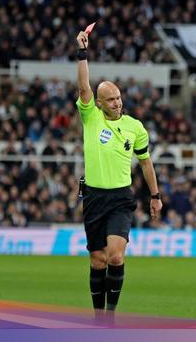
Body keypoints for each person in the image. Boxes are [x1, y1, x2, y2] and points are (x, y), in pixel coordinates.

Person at [75, 30, 162, 313]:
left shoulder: (135, 127)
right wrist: (82, 53)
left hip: (121, 198)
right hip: (94, 198)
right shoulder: (91, 118)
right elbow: (84, 87)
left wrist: (155, 195)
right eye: (110, 99)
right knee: (97, 260)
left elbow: (146, 162)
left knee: (114, 257)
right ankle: (98, 316)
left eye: (118, 97)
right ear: (99, 104)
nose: (117, 102)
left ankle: (110, 316)